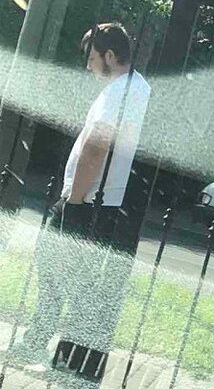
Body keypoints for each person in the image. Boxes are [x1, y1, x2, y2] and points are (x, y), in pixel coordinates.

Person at [8, 23, 151, 371]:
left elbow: (96, 147)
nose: (88, 66)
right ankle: (66, 353)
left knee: (56, 269)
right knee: (77, 279)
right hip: (100, 200)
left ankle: (44, 345)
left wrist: (73, 200)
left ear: (111, 56)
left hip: (86, 201)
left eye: (92, 58)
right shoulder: (137, 86)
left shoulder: (119, 92)